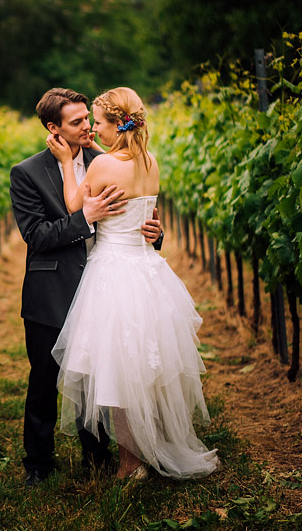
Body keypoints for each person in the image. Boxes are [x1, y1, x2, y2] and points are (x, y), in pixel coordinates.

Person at [46, 86, 218, 480]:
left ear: (117, 124)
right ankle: (147, 448)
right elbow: (142, 208)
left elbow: (75, 208)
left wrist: (65, 164)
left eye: (99, 122)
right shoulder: (149, 161)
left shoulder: (103, 166)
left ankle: (130, 463)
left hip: (112, 271)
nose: (94, 130)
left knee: (118, 373)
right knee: (143, 368)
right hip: (146, 269)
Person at [9, 88, 164, 487]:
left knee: (100, 375)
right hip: (54, 288)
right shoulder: (27, 173)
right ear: (53, 128)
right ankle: (39, 464)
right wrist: (84, 218)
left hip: (108, 285)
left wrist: (155, 232)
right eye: (77, 122)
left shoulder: (109, 159)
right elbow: (36, 236)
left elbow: (140, 213)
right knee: (45, 380)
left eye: (88, 119)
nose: (87, 128)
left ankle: (97, 455)